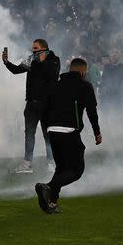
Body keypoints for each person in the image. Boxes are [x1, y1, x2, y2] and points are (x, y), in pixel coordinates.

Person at [35, 58, 102, 214]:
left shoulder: (54, 86)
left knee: (62, 168)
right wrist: (97, 132)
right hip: (69, 131)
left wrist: (47, 130)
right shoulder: (85, 86)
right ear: (82, 72)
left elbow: (43, 111)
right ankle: (48, 187)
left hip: (52, 132)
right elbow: (92, 112)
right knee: (76, 170)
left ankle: (51, 202)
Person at [2, 39, 60, 174]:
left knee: (48, 134)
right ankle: (27, 163)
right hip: (32, 104)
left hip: (48, 104)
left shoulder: (54, 60)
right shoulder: (31, 60)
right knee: (29, 134)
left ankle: (51, 162)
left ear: (44, 48)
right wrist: (6, 62)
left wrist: (42, 61)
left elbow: (52, 74)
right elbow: (16, 70)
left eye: (36, 48)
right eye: (32, 48)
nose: (33, 51)